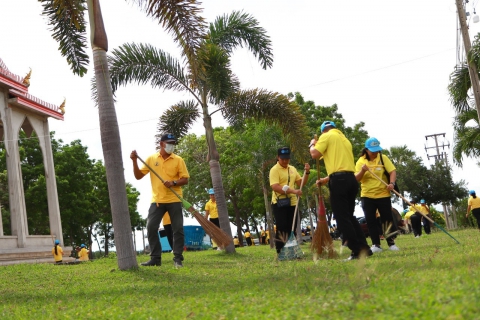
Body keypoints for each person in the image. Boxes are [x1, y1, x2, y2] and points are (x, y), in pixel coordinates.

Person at [310, 120, 372, 260]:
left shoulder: (327, 136)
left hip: (339, 181)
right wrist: (326, 179)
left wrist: (313, 144)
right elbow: (340, 165)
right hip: (351, 180)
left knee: (342, 218)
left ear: (323, 131)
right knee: (350, 217)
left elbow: (315, 154)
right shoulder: (344, 139)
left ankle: (356, 251)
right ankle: (364, 248)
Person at [131, 133, 190, 268]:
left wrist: (174, 182)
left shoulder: (178, 160)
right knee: (151, 227)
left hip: (174, 199)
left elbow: (185, 179)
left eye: (173, 143)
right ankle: (155, 258)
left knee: (178, 229)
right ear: (161, 144)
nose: (171, 145)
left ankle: (177, 258)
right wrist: (134, 161)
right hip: (157, 200)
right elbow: (138, 176)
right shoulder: (152, 159)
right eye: (169, 143)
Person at [355, 137, 400, 253]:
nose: (375, 152)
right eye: (372, 150)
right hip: (367, 195)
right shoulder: (360, 161)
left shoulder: (383, 158)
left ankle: (391, 243)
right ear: (366, 150)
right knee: (370, 220)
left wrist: (391, 183)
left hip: (383, 194)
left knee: (387, 220)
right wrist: (362, 171)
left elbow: (392, 172)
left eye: (376, 150)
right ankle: (376, 244)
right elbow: (356, 179)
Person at [269, 147, 310, 255]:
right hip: (279, 203)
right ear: (278, 158)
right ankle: (281, 251)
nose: (285, 161)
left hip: (292, 202)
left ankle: (291, 250)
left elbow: (301, 182)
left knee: (291, 227)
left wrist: (307, 173)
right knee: (282, 227)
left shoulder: (292, 169)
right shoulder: (274, 170)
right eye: (283, 159)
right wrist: (293, 191)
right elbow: (275, 187)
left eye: (287, 159)